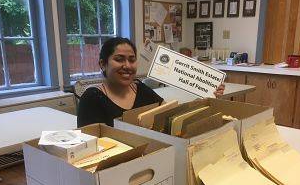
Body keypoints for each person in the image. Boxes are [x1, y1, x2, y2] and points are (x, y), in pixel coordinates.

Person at [77, 37, 225, 127]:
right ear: (103, 64)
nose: (127, 66)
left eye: (132, 59)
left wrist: (208, 98)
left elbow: (172, 113)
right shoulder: (92, 98)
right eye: (119, 59)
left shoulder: (140, 89)